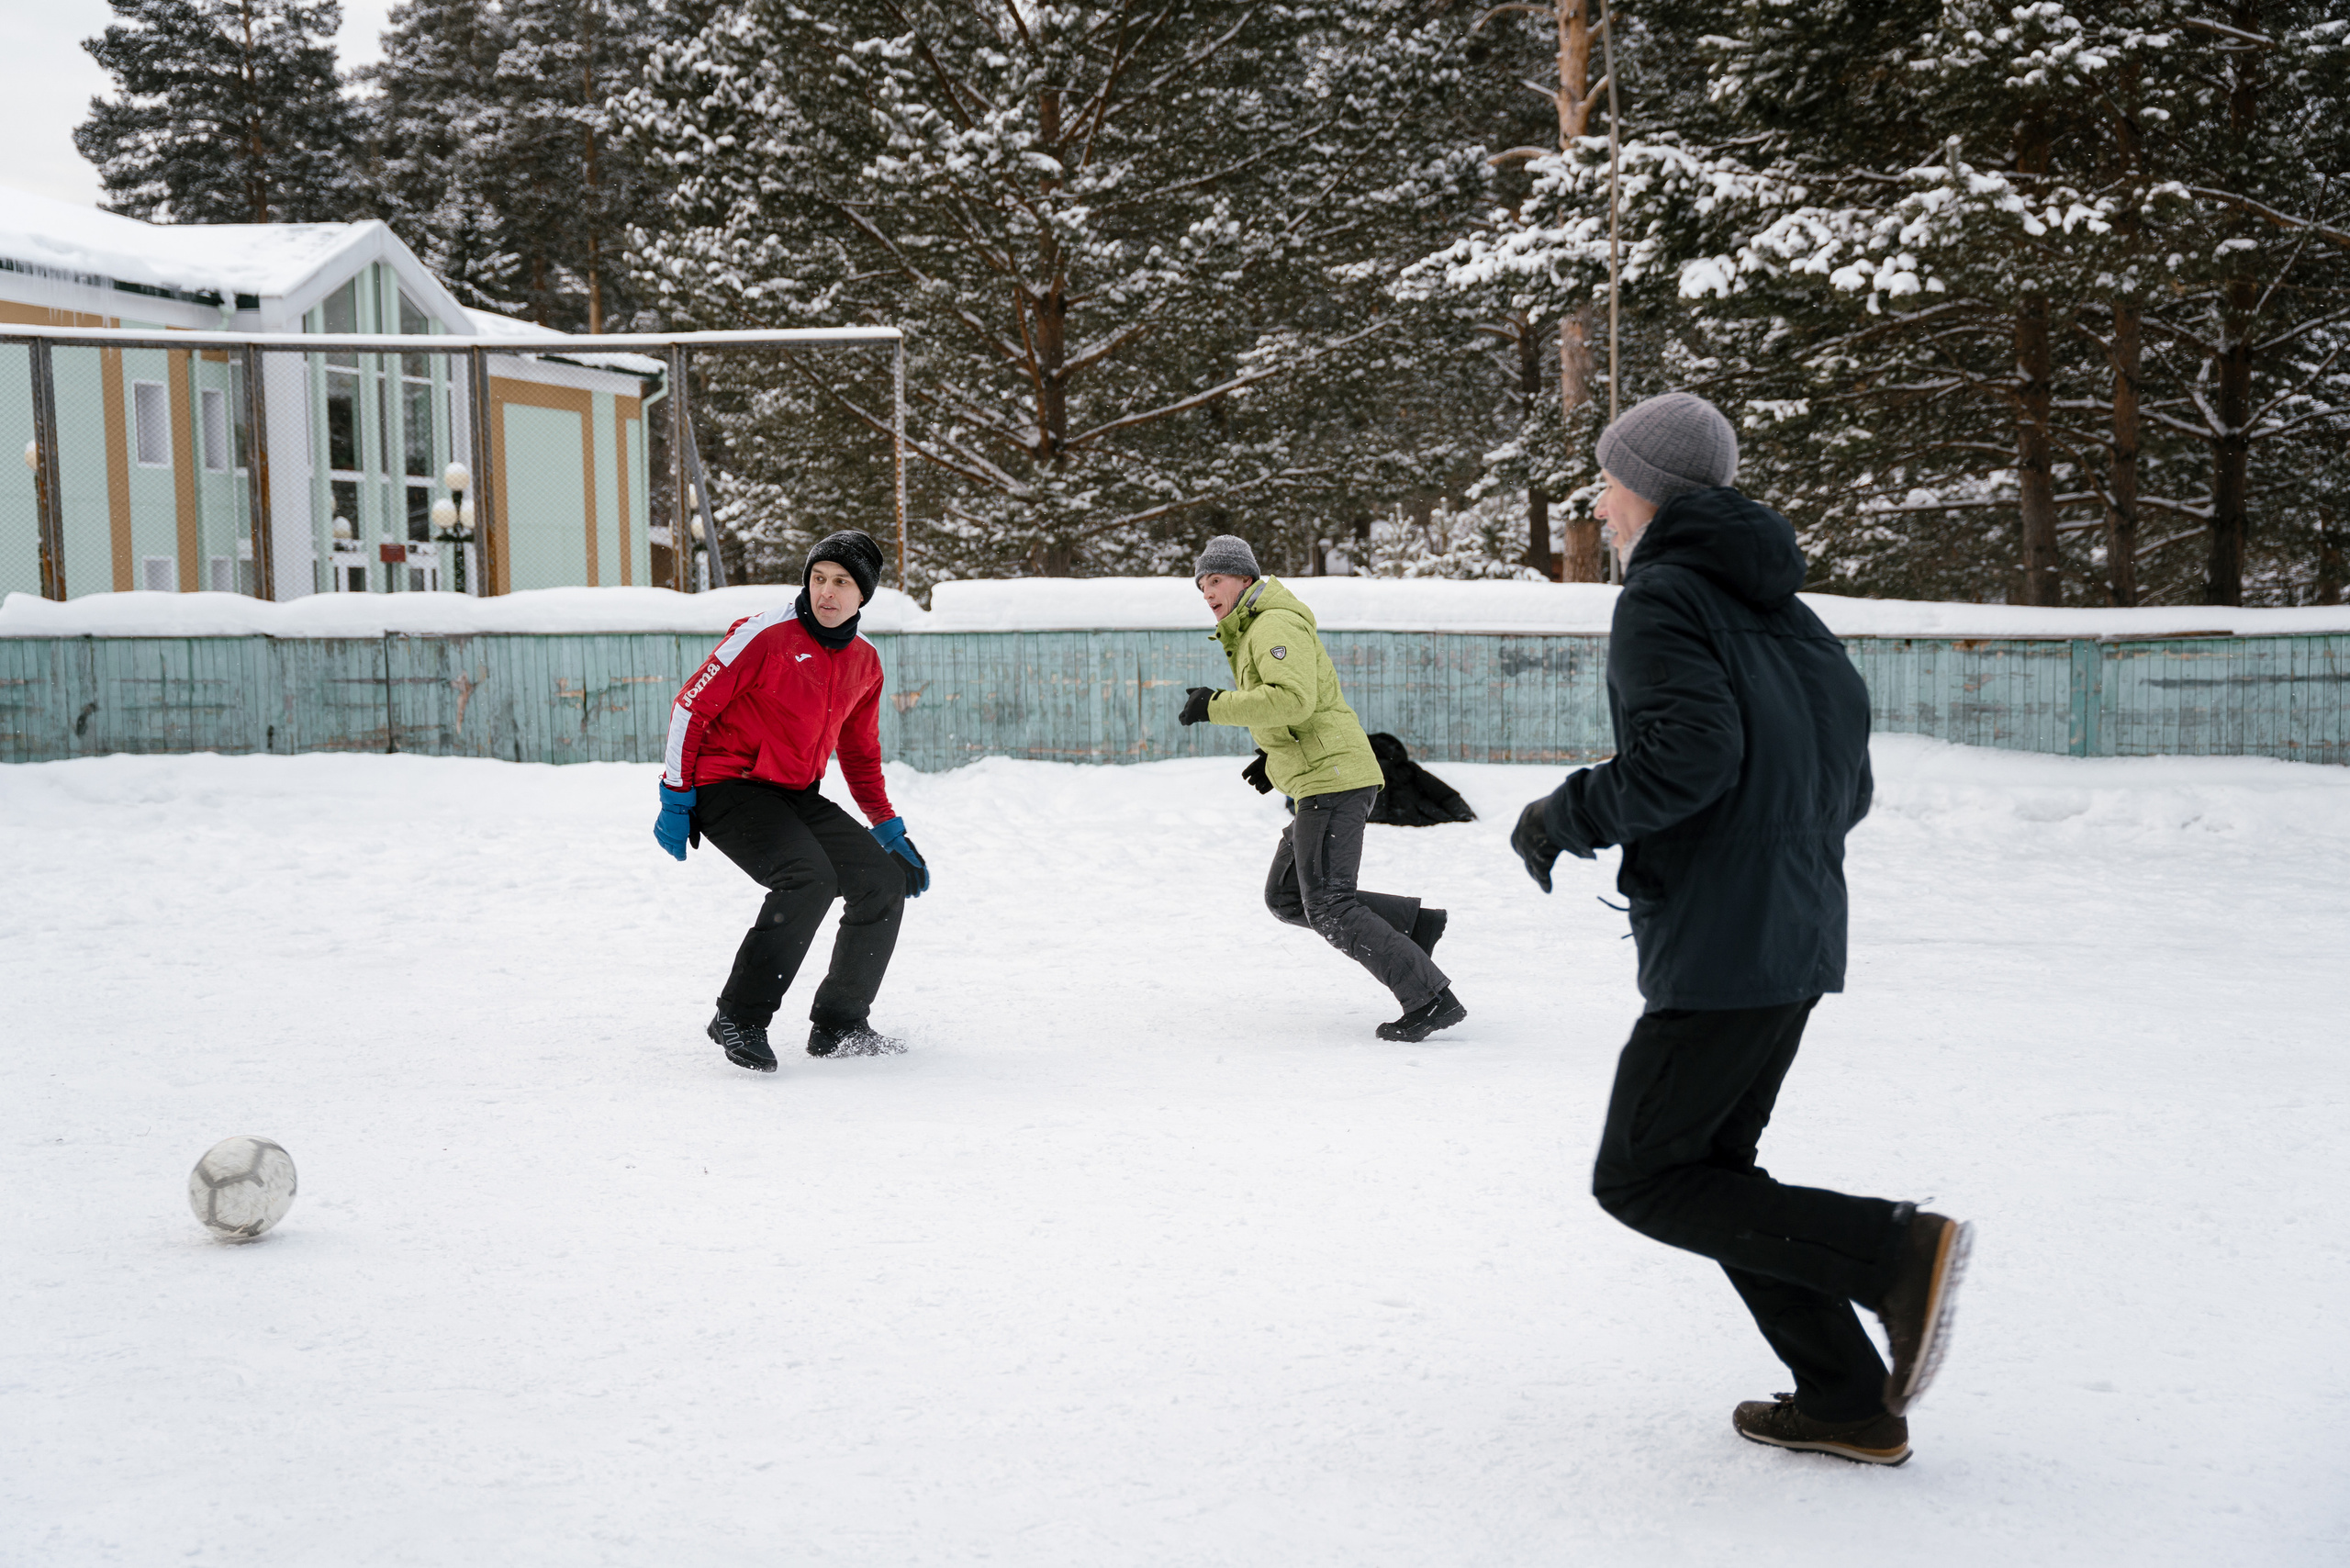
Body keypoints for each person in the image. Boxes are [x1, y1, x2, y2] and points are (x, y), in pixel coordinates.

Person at [1509, 393, 1971, 1466]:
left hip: (1723, 937)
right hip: (1796, 927)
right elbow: (1846, 781)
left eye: (1607, 484)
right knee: (1712, 1168)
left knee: (1645, 1175)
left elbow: (1686, 760)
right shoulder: (1786, 612)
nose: (1601, 506)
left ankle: (1892, 1252)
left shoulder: (1663, 596)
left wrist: (1561, 814)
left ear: (1646, 490)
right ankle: (1845, 1398)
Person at [653, 530, 930, 1072]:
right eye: (818, 578)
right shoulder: (764, 634)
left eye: (842, 582)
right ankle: (739, 1016)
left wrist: (887, 827)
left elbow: (860, 753)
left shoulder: (865, 662)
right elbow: (690, 707)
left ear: (863, 595)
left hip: (794, 793)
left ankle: (840, 1024)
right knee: (809, 878)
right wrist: (676, 795)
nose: (826, 592)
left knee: (880, 880)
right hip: (726, 784)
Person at [1179, 535, 1465, 1042]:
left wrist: (1214, 705)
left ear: (1245, 578)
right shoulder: (1253, 628)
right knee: (1287, 896)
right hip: (1320, 776)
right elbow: (1297, 711)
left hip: (1333, 779)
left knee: (1329, 906)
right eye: (1202, 585)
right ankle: (1413, 926)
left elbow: (1293, 699)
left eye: (1215, 580)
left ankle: (1429, 998)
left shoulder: (1272, 623)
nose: (1207, 593)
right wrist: (1273, 760)